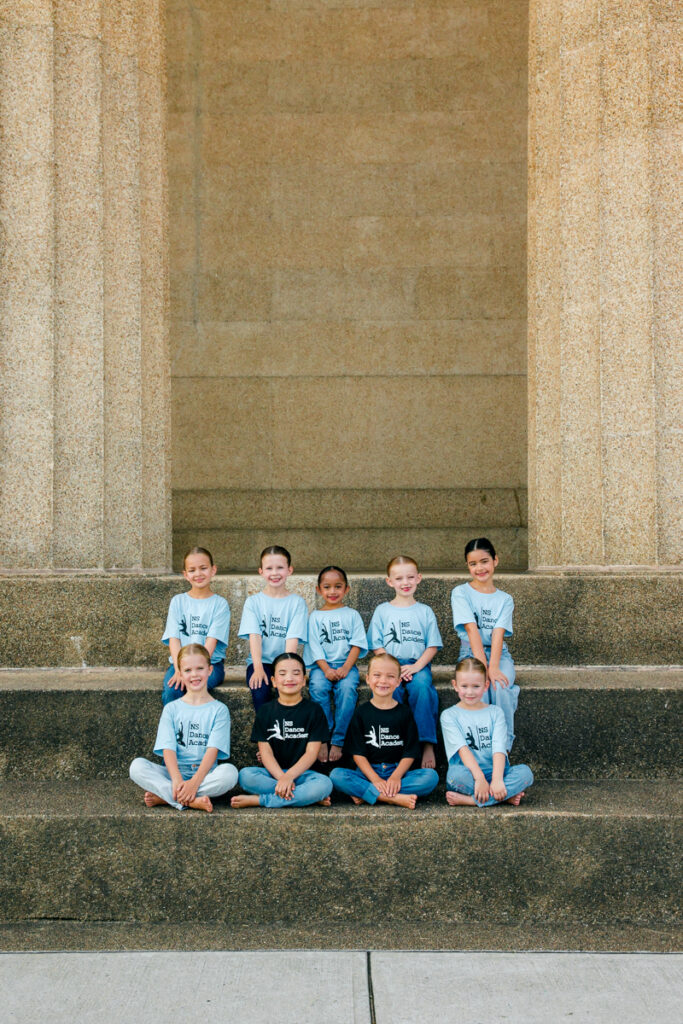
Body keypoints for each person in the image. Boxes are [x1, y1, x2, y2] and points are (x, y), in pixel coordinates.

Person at [130, 643, 238, 812]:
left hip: (205, 775)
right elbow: (168, 748)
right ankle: (190, 800)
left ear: (210, 670)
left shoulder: (219, 710)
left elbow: (213, 750)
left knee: (230, 774)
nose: (194, 675)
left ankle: (167, 797)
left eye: (200, 668)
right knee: (137, 767)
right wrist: (178, 781)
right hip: (174, 774)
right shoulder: (172, 709)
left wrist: (194, 784)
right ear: (179, 674)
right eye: (188, 670)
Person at [330, 653, 439, 809]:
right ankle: (392, 798)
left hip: (397, 771)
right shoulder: (361, 713)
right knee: (336, 776)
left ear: (398, 681)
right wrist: (375, 779)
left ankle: (369, 794)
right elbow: (358, 754)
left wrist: (395, 777)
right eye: (377, 675)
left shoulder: (405, 713)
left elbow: (410, 752)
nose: (383, 681)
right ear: (368, 679)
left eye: (390, 676)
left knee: (430, 777)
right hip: (368, 773)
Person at [366, 555, 442, 769]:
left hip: (418, 665)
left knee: (422, 688)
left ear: (418, 578)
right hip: (389, 665)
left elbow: (433, 645)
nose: (405, 583)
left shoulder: (424, 611)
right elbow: (376, 644)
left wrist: (417, 667)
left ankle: (426, 743)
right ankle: (395, 744)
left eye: (410, 577)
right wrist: (394, 668)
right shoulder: (383, 610)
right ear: (390, 581)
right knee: (389, 692)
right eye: (399, 578)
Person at [232, 653, 333, 809]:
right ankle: (304, 797)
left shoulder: (314, 711)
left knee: (324, 784)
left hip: (302, 775)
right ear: (273, 681)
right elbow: (265, 753)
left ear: (304, 680)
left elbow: (312, 753)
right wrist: (282, 778)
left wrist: (290, 777)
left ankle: (262, 800)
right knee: (245, 776)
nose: (289, 678)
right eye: (282, 673)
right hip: (273, 774)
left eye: (296, 673)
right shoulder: (266, 711)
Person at [450, 537, 519, 750]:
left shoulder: (505, 599)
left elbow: (498, 634)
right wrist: (483, 668)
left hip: (499, 654)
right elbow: (471, 629)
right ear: (467, 566)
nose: (479, 568)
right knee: (480, 687)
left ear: (495, 561)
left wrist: (494, 667)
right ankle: (482, 747)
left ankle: (503, 748)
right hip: (471, 653)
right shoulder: (461, 592)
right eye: (473, 564)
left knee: (500, 686)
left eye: (484, 561)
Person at [441, 656, 532, 807]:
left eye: (476, 686)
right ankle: (504, 797)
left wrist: (497, 779)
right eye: (464, 686)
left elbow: (499, 747)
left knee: (525, 773)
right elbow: (462, 750)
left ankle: (471, 800)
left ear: (486, 685)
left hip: (497, 772)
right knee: (454, 776)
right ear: (455, 685)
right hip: (469, 775)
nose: (470, 692)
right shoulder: (449, 715)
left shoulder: (495, 712)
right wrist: (480, 779)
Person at [304, 565, 367, 763]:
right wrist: (326, 669)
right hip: (321, 666)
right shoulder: (315, 617)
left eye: (338, 586)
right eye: (327, 587)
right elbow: (314, 646)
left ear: (346, 589)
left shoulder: (352, 615)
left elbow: (357, 643)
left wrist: (346, 668)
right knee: (318, 687)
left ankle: (339, 739)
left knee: (348, 689)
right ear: (318, 590)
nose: (333, 592)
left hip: (346, 665)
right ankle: (323, 736)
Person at [237, 545, 308, 710]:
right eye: (269, 568)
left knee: (288, 691)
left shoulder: (297, 603)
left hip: (286, 661)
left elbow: (292, 641)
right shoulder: (253, 602)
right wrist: (258, 669)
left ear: (289, 570)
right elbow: (255, 637)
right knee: (260, 690)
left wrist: (284, 672)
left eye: (280, 568)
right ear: (261, 571)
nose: (274, 573)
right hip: (260, 662)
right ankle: (266, 732)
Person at [161, 546, 230, 705]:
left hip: (210, 665)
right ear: (185, 575)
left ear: (213, 570)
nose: (198, 574)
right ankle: (174, 728)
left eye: (203, 568)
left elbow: (211, 644)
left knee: (195, 685)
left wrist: (196, 671)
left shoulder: (219, 604)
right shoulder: (178, 602)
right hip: (181, 664)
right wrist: (180, 669)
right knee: (173, 690)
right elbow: (174, 638)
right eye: (192, 570)